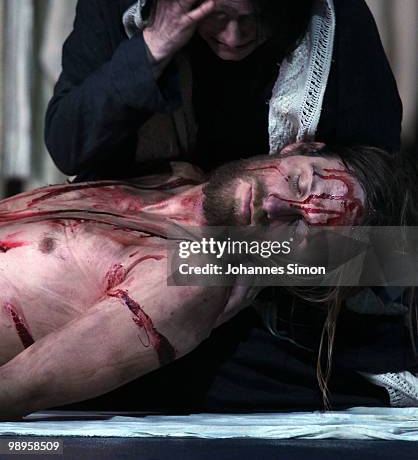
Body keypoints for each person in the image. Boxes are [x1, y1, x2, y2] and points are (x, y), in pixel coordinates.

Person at [0, 142, 416, 418]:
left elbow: (15, 390)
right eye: (296, 181)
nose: (273, 204)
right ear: (299, 147)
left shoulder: (195, 278)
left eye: (301, 233)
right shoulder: (173, 168)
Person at [44, 0, 402, 181]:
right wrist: (150, 49)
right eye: (216, 15)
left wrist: (318, 165)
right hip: (139, 214)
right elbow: (68, 148)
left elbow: (381, 168)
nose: (233, 37)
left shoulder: (324, 9)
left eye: (253, 18)